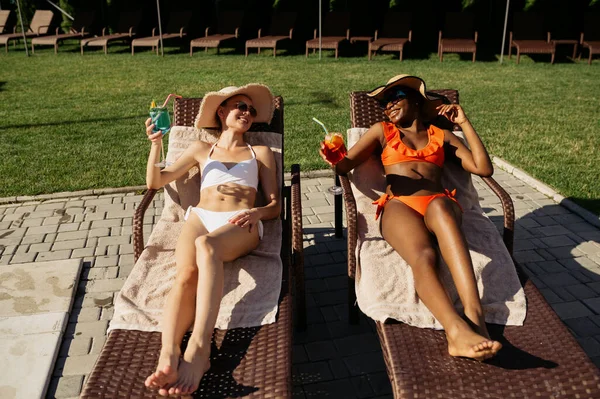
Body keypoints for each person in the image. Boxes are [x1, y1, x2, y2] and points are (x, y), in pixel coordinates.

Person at [320, 74, 502, 361]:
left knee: (442, 207)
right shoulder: (382, 131)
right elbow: (344, 166)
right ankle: (455, 332)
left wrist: (464, 124)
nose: (388, 106)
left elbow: (483, 168)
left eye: (396, 97)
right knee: (424, 256)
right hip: (399, 205)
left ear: (417, 102)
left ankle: (476, 319)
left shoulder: (442, 136)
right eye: (384, 103)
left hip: (438, 203)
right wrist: (334, 154)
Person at [144, 84, 280, 396]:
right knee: (185, 275)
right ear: (221, 111)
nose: (247, 113)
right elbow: (156, 180)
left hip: (239, 222)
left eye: (251, 110)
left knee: (206, 246)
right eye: (240, 107)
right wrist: (156, 144)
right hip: (201, 216)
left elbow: (275, 206)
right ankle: (168, 354)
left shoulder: (260, 153)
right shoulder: (200, 149)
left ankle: (199, 349)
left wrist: (258, 213)